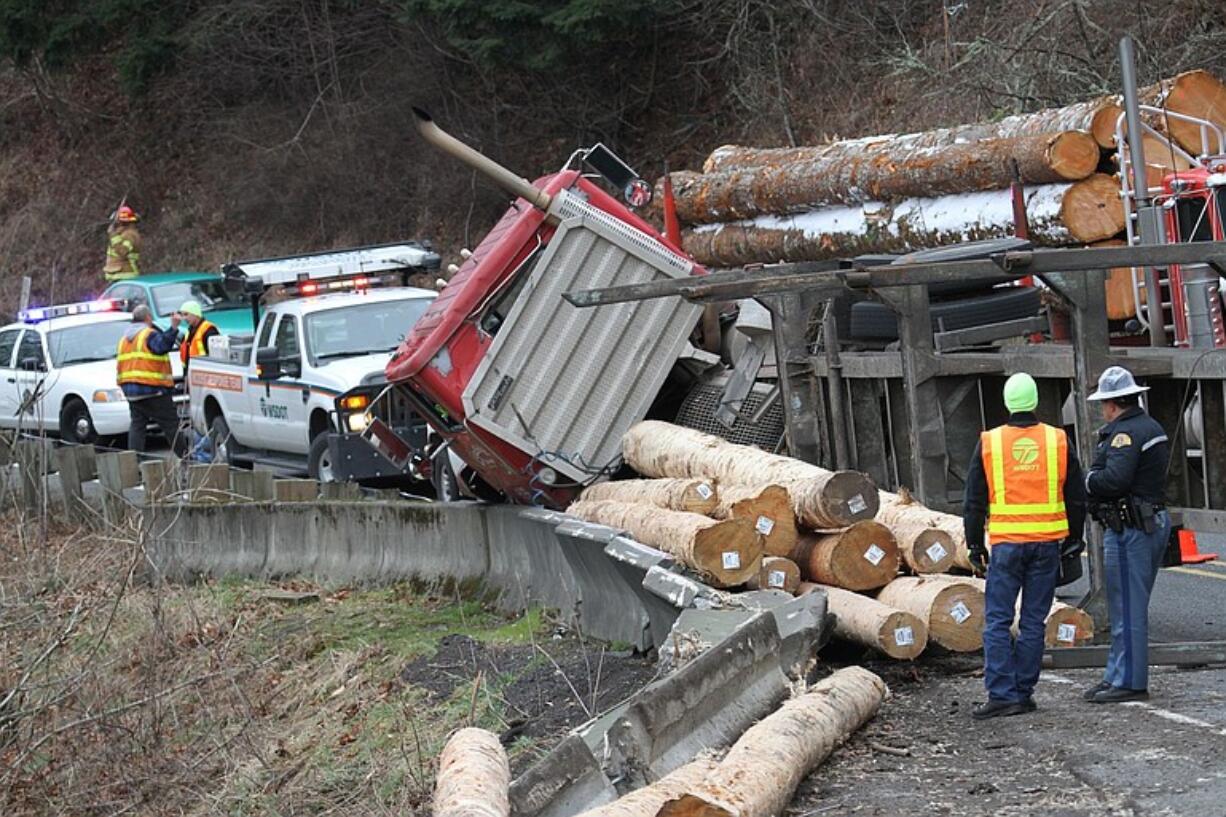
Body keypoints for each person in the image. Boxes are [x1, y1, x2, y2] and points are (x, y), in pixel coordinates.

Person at [963, 372, 1087, 720]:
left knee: (999, 621)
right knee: (1033, 621)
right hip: (1047, 545)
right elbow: (1076, 496)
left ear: (1007, 402)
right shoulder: (1057, 440)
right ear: (1035, 402)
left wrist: (974, 544)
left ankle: (1002, 694)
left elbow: (974, 500)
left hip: (1006, 546)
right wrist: (1075, 539)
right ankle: (1023, 691)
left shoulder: (991, 442)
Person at [1083, 366, 1171, 704]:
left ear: (1113, 403)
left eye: (1103, 402)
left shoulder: (1125, 434)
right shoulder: (1147, 427)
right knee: (1123, 606)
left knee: (1129, 608)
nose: (1102, 409)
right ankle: (1117, 675)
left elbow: (1114, 480)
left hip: (1132, 528)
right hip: (1138, 524)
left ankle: (1130, 681)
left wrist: (1089, 480)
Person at [117, 304, 186, 455]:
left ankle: (134, 463)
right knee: (171, 425)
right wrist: (173, 327)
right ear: (148, 318)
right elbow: (162, 346)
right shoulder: (147, 334)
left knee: (137, 426)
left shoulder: (125, 339)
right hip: (153, 390)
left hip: (131, 391)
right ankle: (187, 459)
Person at [177, 300, 220, 373]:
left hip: (206, 372)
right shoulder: (189, 331)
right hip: (193, 372)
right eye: (182, 315)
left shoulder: (209, 330)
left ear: (195, 314)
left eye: (186, 314)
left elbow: (216, 357)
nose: (184, 318)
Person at [103, 205, 143, 282]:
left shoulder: (130, 235)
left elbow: (123, 252)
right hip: (117, 276)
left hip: (125, 276)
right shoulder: (121, 234)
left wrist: (113, 235)